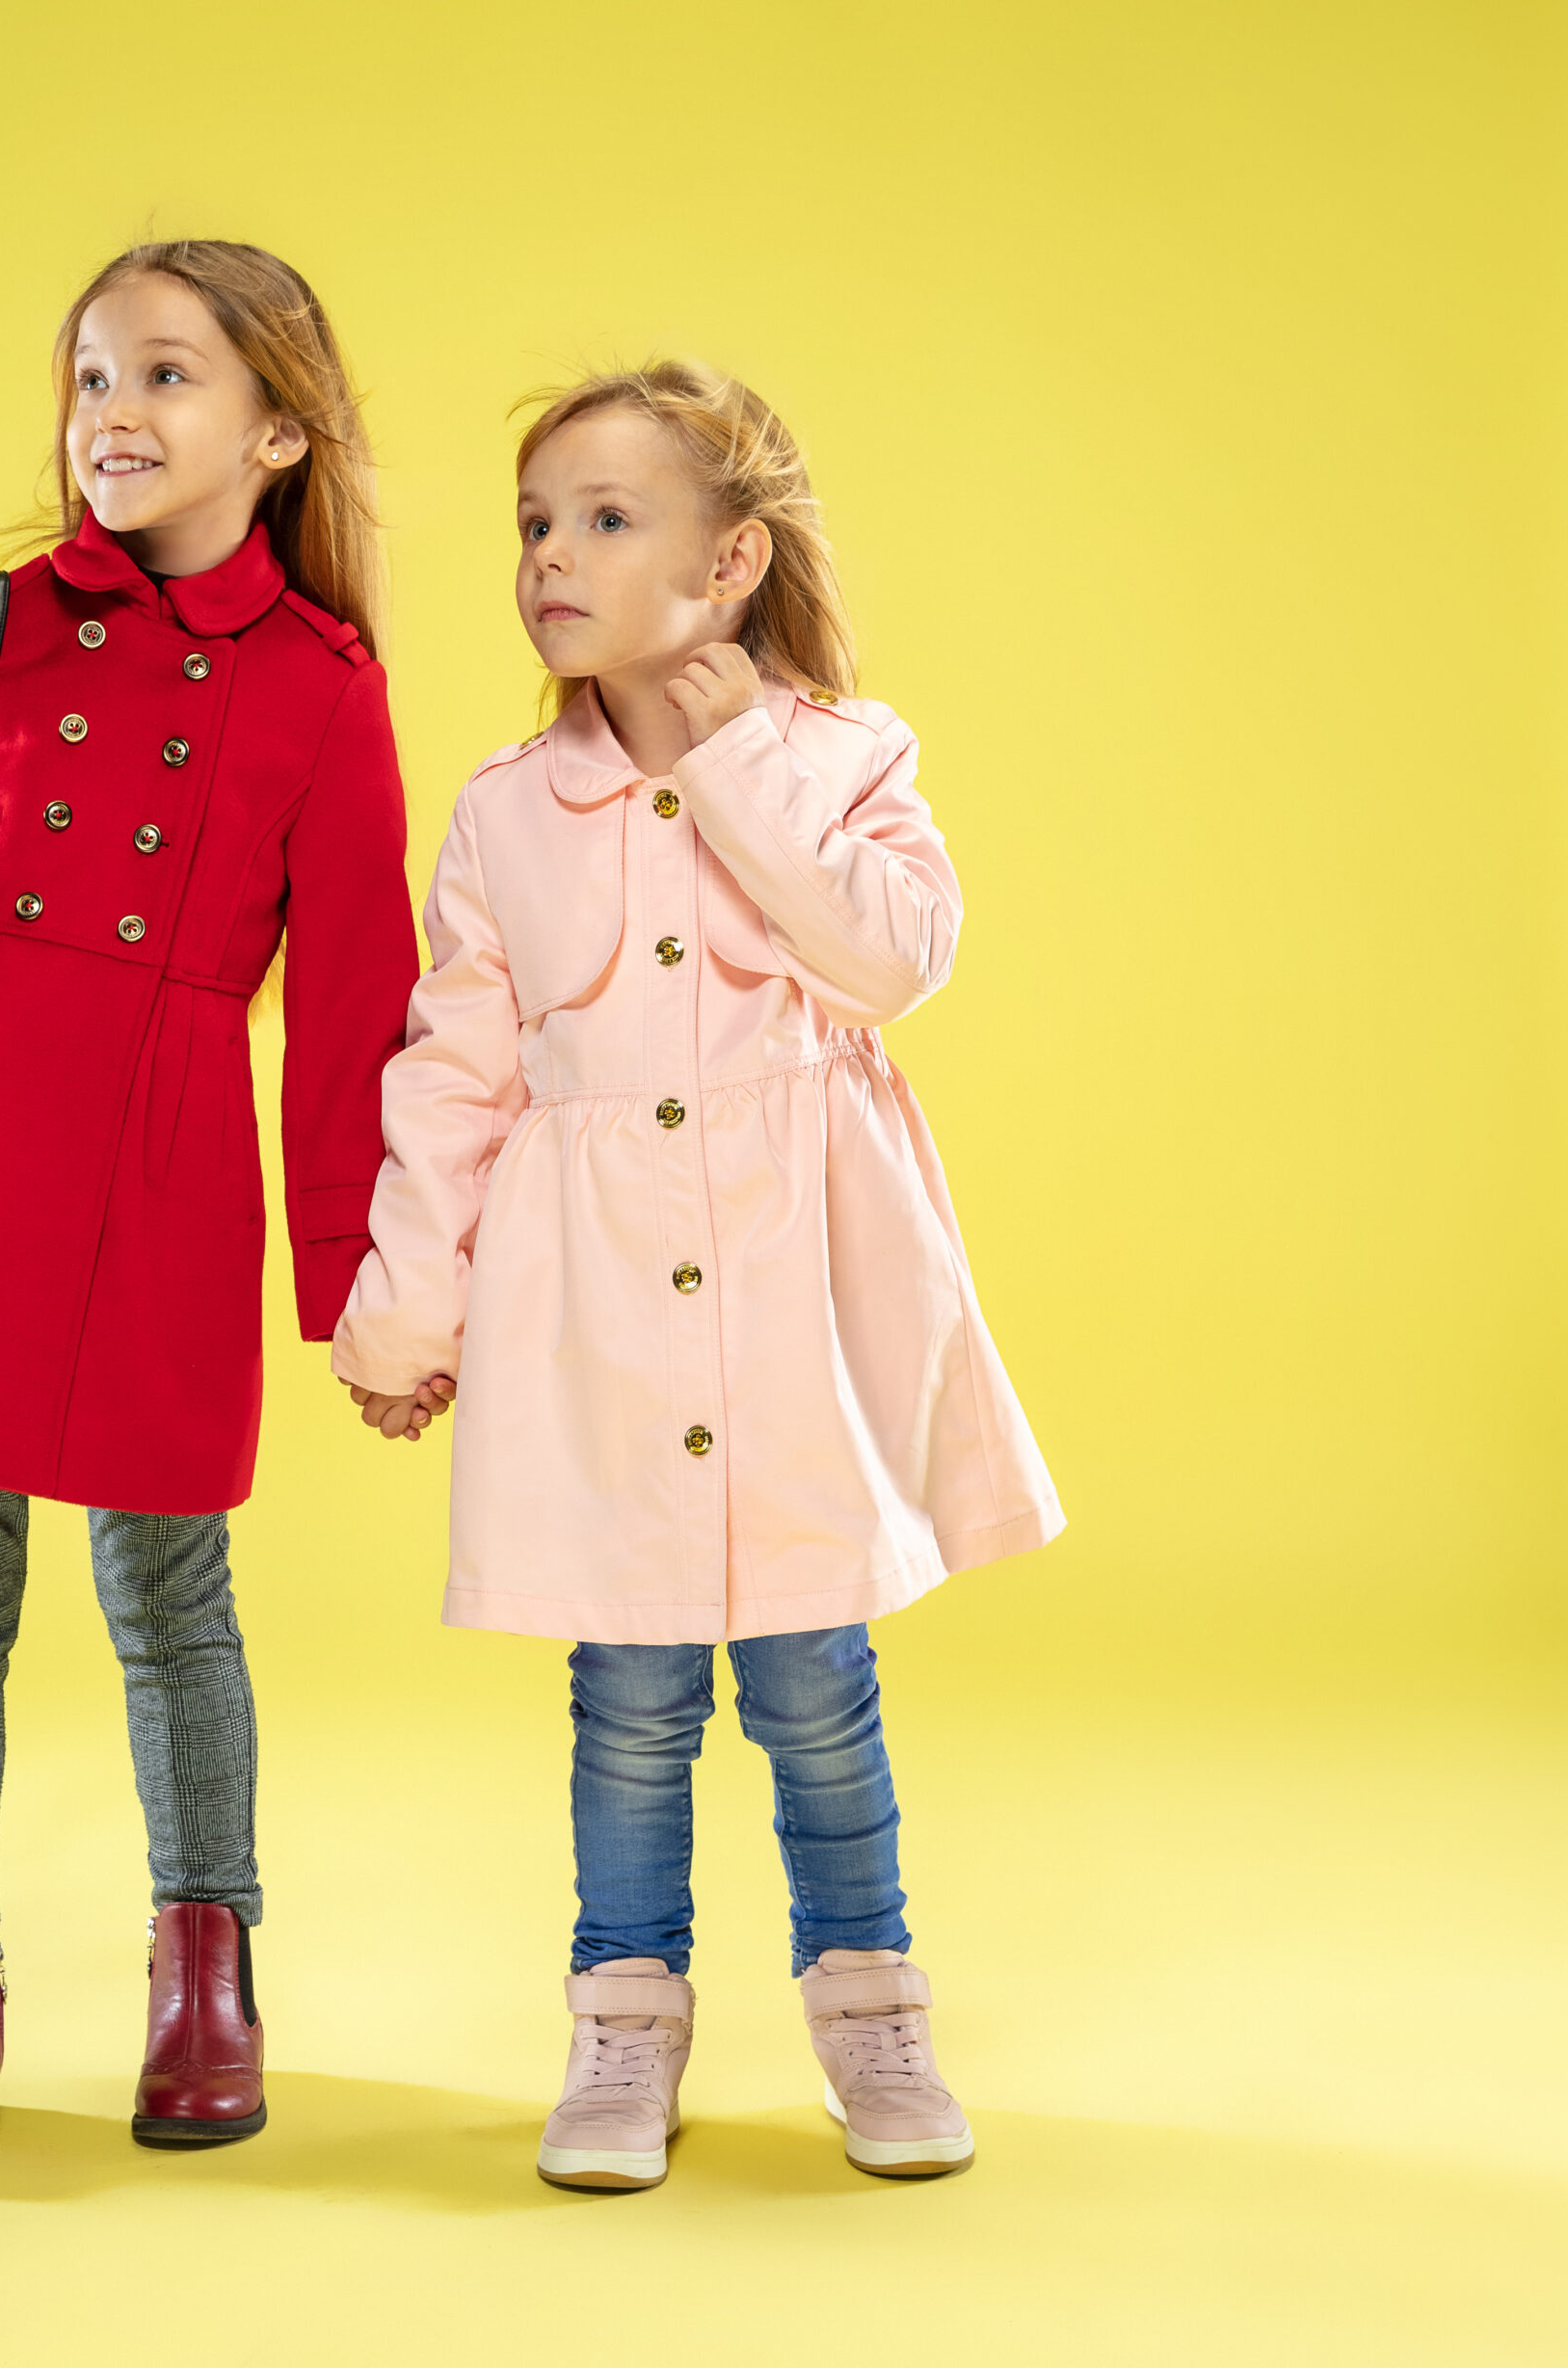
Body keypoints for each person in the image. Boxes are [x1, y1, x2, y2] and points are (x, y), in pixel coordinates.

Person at [333, 361, 1062, 2190]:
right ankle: (620, 2024)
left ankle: (871, 2012)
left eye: (602, 518)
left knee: (816, 1673)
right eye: (532, 524)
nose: (549, 558)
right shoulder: (507, 811)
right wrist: (406, 1306)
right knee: (630, 1694)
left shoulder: (844, 758)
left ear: (731, 560)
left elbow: (893, 962)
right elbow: (455, 1071)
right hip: (594, 1315)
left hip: (795, 1297)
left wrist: (735, 765)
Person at [0, 240, 419, 2182]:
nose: (109, 416)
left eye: (163, 378)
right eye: (88, 379)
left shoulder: (319, 683)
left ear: (278, 428)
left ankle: (205, 1973)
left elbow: (354, 1008)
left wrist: (358, 1288)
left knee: (168, 1596)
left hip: (160, 1174)